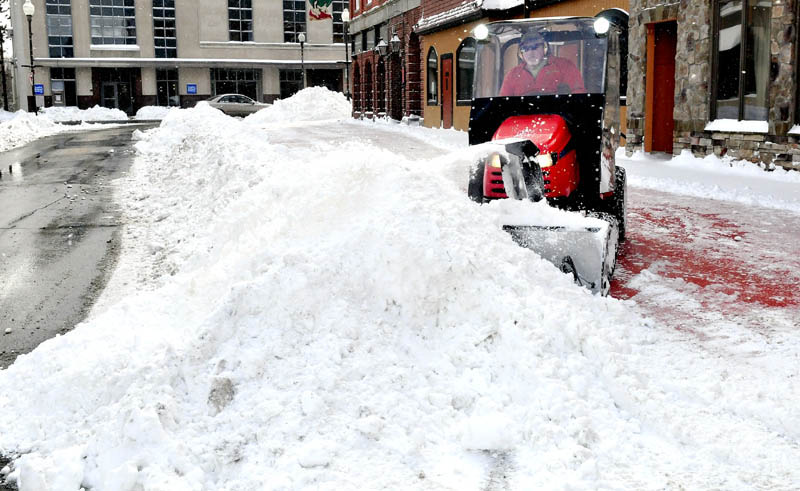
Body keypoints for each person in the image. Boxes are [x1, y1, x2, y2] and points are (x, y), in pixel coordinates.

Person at [499, 31, 586, 96]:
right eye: (526, 48)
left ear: (544, 48)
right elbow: (503, 102)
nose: (531, 52)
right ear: (521, 53)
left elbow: (578, 94)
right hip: (523, 118)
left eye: (535, 47)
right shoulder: (513, 74)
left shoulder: (564, 66)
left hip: (558, 116)